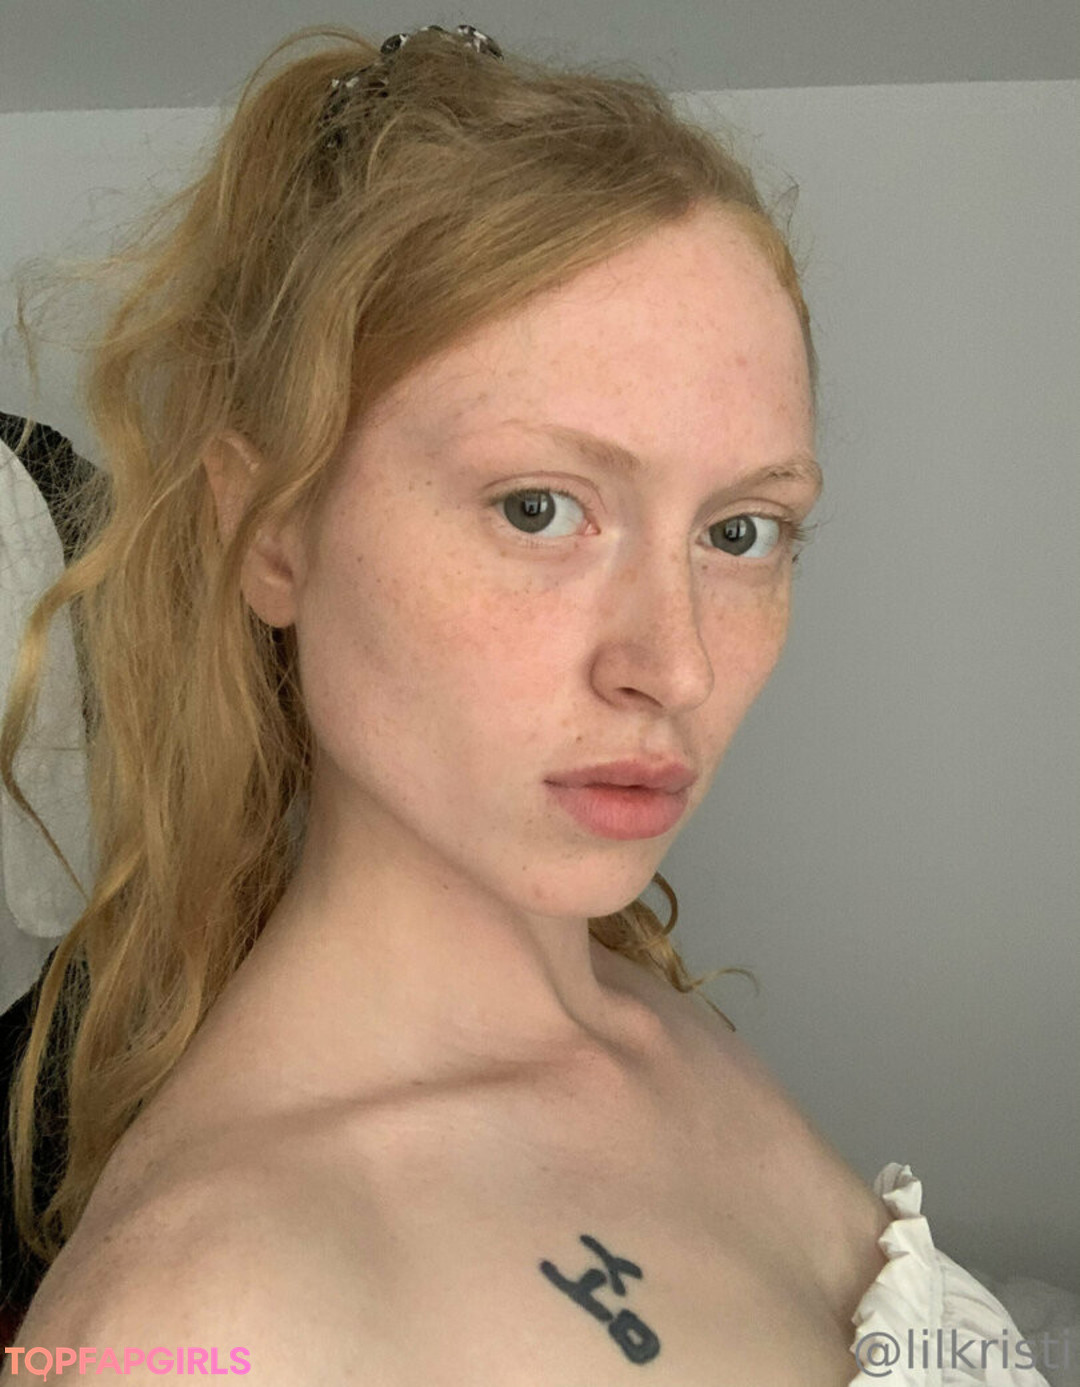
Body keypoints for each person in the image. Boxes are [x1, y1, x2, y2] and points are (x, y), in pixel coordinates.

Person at [0, 24, 1049, 1387]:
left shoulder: (646, 1021)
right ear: (271, 532)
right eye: (541, 508)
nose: (674, 665)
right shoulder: (188, 1325)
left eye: (741, 532)